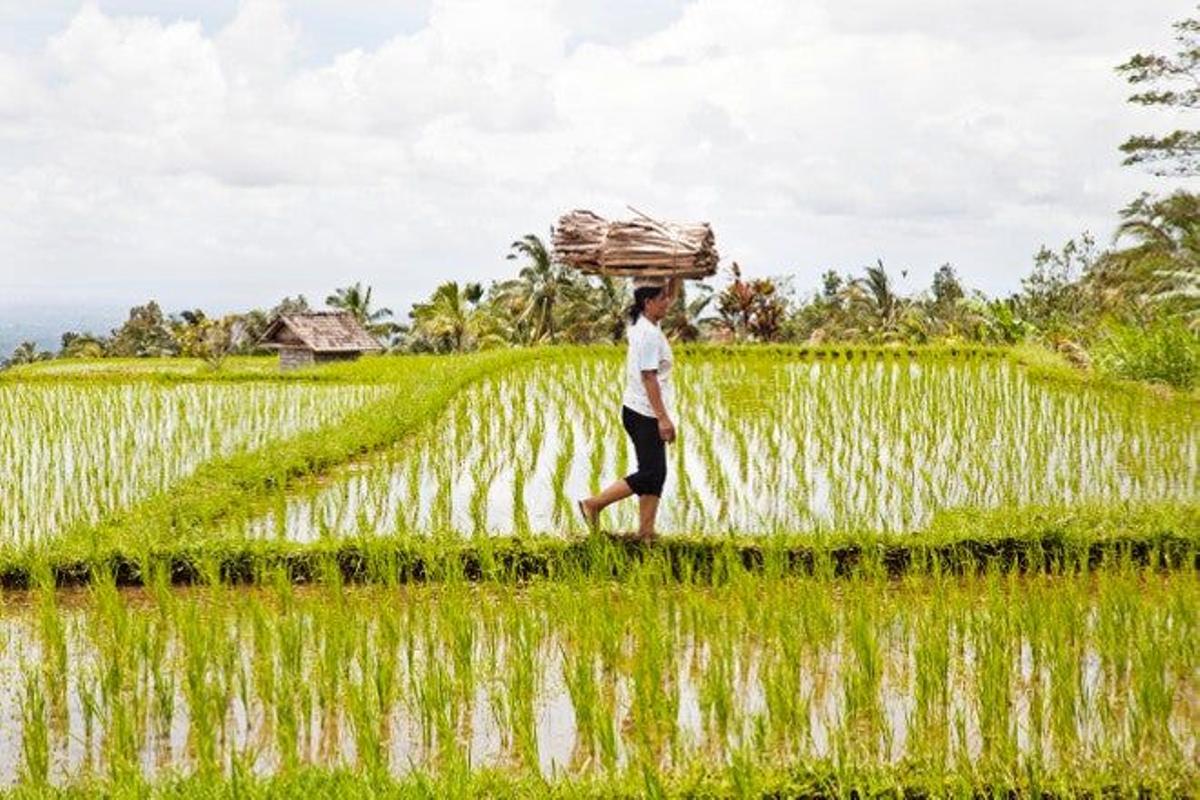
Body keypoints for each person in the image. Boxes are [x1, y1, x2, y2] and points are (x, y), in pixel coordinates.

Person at [578, 276, 681, 541]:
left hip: (639, 410)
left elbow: (671, 292)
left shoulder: (642, 323)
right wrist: (663, 419)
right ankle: (593, 504)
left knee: (655, 473)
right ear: (648, 303)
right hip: (644, 413)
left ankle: (646, 532)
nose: (667, 303)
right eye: (662, 299)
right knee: (651, 473)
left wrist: (675, 271)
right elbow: (649, 377)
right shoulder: (647, 334)